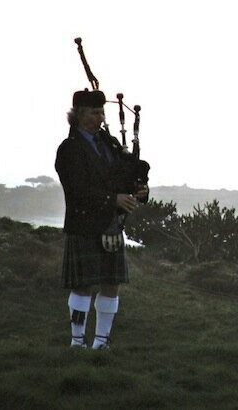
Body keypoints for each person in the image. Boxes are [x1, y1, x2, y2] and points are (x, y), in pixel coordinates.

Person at [55, 89, 148, 349]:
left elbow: (125, 173)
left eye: (101, 112)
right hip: (84, 224)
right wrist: (113, 200)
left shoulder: (109, 145)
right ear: (80, 115)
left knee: (111, 283)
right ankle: (77, 341)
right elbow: (78, 189)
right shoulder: (69, 149)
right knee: (82, 286)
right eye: (95, 113)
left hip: (111, 224)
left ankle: (101, 342)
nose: (100, 118)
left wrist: (139, 188)